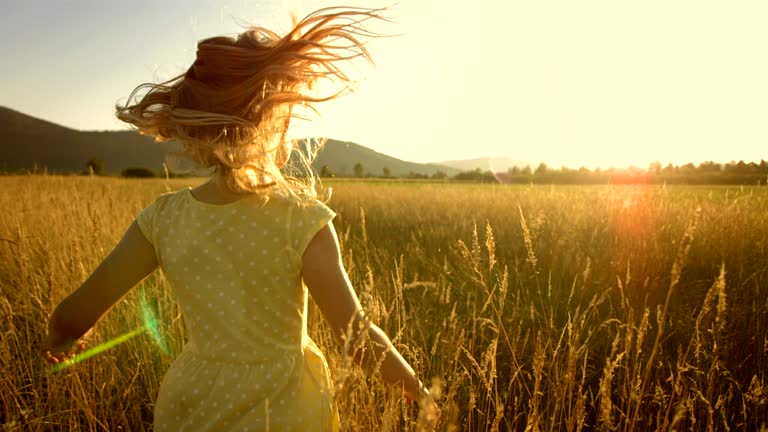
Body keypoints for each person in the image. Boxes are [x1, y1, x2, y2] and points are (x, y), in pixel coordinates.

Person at [41, 6, 438, 431]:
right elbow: (358, 340)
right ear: (274, 122)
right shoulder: (301, 219)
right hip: (284, 410)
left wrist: (61, 336)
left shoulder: (163, 219)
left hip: (191, 402)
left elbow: (74, 313)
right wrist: (422, 395)